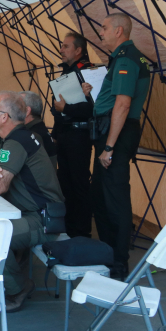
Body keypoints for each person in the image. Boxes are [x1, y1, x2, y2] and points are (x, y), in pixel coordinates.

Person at [0, 91, 65, 312]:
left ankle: (18, 288)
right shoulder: (13, 139)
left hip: (42, 220)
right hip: (30, 214)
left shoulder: (17, 142)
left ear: (5, 116)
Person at [87, 13, 150, 279]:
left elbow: (123, 104)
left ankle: (119, 261)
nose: (100, 32)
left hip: (117, 135)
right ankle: (107, 252)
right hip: (109, 132)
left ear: (119, 30)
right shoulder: (121, 58)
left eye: (104, 28)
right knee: (100, 196)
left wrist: (109, 147)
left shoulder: (126, 58)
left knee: (115, 198)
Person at [51, 32, 95, 239]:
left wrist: (66, 108)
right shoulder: (65, 73)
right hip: (65, 135)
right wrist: (56, 133)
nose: (61, 49)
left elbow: (93, 109)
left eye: (66, 46)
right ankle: (68, 229)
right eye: (62, 46)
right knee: (65, 183)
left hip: (80, 135)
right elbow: (56, 107)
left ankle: (82, 232)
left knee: (79, 184)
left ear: (78, 50)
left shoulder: (90, 72)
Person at [20, 91, 57, 168]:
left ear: (27, 111)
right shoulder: (39, 128)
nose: (12, 110)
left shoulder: (32, 135)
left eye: (16, 106)